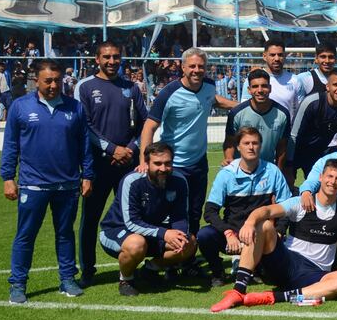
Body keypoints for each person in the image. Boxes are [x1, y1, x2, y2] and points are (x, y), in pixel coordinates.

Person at [1, 59, 94, 303]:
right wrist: (8, 177)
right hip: (33, 185)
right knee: (25, 235)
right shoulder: (20, 107)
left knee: (65, 234)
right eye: (47, 81)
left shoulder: (75, 108)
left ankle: (67, 279)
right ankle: (18, 284)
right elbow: (11, 145)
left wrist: (88, 175)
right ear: (36, 81)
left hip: (68, 185)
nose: (53, 85)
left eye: (56, 80)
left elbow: (84, 145)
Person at [210, 159, 337, 311]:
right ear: (321, 177)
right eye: (329, 176)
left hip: (315, 274)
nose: (332, 182)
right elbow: (266, 211)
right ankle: (238, 291)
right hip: (287, 264)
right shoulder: (300, 202)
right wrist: (250, 222)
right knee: (264, 225)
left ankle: (275, 297)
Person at [140, 47, 237, 265]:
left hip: (198, 164)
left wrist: (242, 106)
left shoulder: (209, 86)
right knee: (173, 215)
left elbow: (216, 100)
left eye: (200, 66)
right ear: (183, 67)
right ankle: (167, 260)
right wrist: (144, 161)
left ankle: (188, 258)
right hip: (174, 166)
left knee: (194, 213)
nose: (196, 70)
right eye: (191, 66)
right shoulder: (169, 92)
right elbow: (149, 126)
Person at [73, 41, 147, 287]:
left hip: (128, 163)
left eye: (116, 57)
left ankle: (131, 269)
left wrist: (132, 149)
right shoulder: (84, 87)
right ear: (97, 59)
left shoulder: (131, 87)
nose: (112, 61)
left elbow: (145, 125)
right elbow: (85, 126)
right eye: (107, 57)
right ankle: (87, 270)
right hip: (97, 165)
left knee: (133, 217)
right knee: (91, 218)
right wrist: (111, 148)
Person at [99, 143, 196, 296]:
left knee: (189, 243)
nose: (163, 169)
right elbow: (131, 222)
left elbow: (180, 216)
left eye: (167, 163)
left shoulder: (179, 181)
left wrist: (180, 236)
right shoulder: (132, 181)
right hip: (117, 229)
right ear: (146, 163)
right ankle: (126, 279)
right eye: (157, 163)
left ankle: (150, 269)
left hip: (152, 231)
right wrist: (165, 234)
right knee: (136, 244)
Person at [198, 127, 292, 286]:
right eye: (246, 143)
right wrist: (228, 233)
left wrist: (279, 231)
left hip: (260, 234)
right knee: (204, 235)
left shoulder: (273, 171)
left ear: (261, 146)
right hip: (232, 235)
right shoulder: (226, 174)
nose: (251, 147)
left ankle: (257, 267)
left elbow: (287, 207)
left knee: (274, 278)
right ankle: (218, 272)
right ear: (238, 147)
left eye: (255, 143)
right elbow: (210, 211)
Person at [287, 68, 337, 182]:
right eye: (335, 85)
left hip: (321, 153)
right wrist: (288, 165)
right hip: (298, 150)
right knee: (288, 189)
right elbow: (294, 136)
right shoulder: (311, 103)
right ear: (327, 86)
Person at [224, 68, 290, 168]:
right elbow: (229, 142)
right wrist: (229, 159)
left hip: (268, 170)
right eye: (255, 86)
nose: (260, 90)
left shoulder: (282, 114)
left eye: (264, 86)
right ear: (249, 90)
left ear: (270, 88)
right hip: (241, 170)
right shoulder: (236, 113)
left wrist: (278, 171)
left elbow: (282, 147)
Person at [239, 39, 301, 120]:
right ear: (264, 56)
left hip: (286, 130)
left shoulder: (295, 80)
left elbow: (299, 111)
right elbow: (245, 109)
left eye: (280, 55)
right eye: (272, 55)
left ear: (285, 56)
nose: (276, 58)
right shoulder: (252, 80)